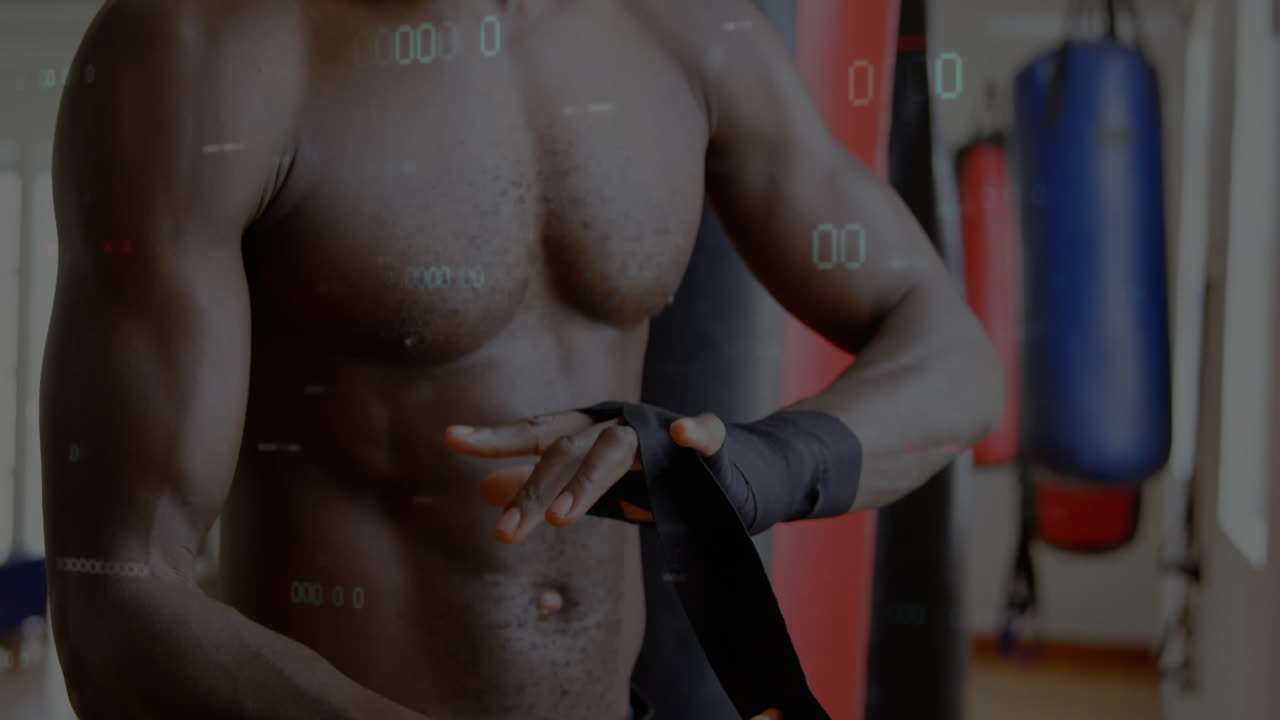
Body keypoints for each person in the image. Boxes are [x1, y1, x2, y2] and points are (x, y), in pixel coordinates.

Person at [39, 0, 1002, 718]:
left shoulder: (691, 32)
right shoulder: (201, 48)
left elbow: (953, 354)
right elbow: (113, 598)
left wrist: (759, 464)